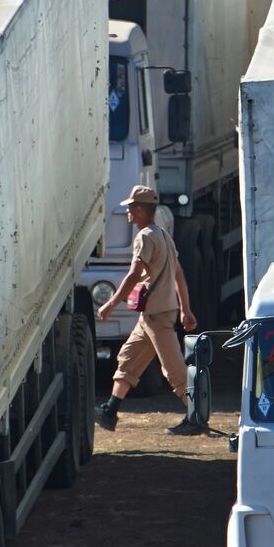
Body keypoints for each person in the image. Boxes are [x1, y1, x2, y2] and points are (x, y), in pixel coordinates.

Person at [95, 185, 202, 435]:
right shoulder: (163, 235)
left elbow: (134, 275)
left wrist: (111, 303)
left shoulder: (144, 237)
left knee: (174, 370)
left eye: (131, 207)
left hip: (157, 315)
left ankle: (196, 417)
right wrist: (185, 310)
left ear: (141, 210)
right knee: (128, 358)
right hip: (153, 315)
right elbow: (179, 275)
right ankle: (110, 410)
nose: (128, 212)